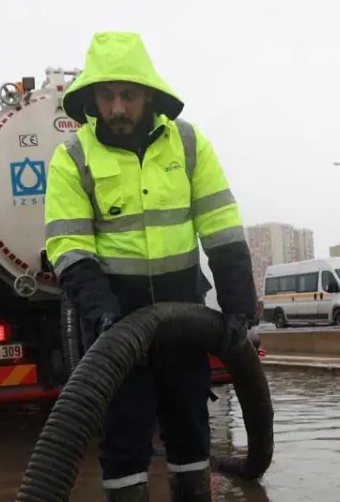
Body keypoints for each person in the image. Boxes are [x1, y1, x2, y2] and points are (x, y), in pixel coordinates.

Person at [44, 31, 258, 502]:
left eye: (128, 95)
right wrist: (102, 316)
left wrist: (239, 307)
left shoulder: (186, 144)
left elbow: (221, 227)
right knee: (124, 435)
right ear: (92, 99)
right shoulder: (73, 157)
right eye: (107, 95)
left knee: (189, 424)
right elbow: (70, 247)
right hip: (114, 325)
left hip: (185, 320)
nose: (117, 107)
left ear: (147, 94)